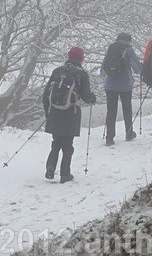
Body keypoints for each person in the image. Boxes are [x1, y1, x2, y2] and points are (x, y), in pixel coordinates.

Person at [42, 46, 96, 183]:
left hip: (55, 112)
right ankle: (65, 174)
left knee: (56, 143)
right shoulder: (82, 74)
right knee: (68, 145)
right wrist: (92, 99)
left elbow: (46, 94)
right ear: (81, 59)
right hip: (71, 113)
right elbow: (86, 96)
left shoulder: (57, 71)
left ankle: (50, 168)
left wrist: (48, 112)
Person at [101, 32, 143, 146]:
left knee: (111, 111)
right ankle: (129, 133)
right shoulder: (129, 50)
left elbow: (103, 69)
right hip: (125, 85)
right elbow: (137, 69)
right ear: (129, 40)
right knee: (127, 109)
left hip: (110, 85)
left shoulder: (111, 48)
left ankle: (109, 138)